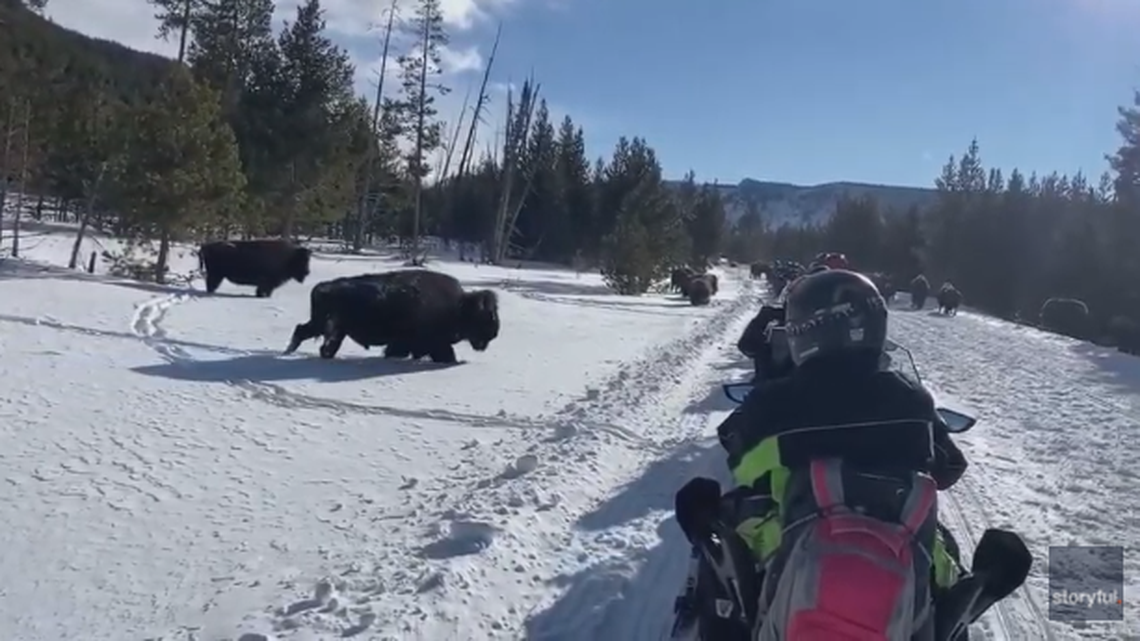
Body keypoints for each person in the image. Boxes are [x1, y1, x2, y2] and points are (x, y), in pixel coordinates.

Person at [681, 269, 967, 639]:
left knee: (715, 526)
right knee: (945, 561)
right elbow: (950, 466)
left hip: (795, 536)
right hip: (901, 541)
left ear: (803, 332)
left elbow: (743, 464)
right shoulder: (911, 398)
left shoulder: (775, 400)